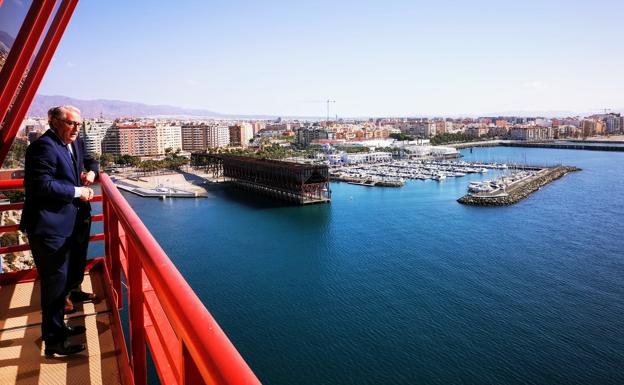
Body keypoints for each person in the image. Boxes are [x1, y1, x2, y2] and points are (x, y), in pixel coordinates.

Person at [20, 105, 99, 356]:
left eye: (79, 124)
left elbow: (90, 159)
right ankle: (54, 342)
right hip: (48, 226)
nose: (77, 128)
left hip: (65, 222)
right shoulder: (43, 147)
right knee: (54, 285)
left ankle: (58, 329)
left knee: (60, 280)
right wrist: (78, 191)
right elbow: (41, 185)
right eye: (71, 123)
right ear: (53, 121)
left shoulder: (72, 142)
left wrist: (92, 173)